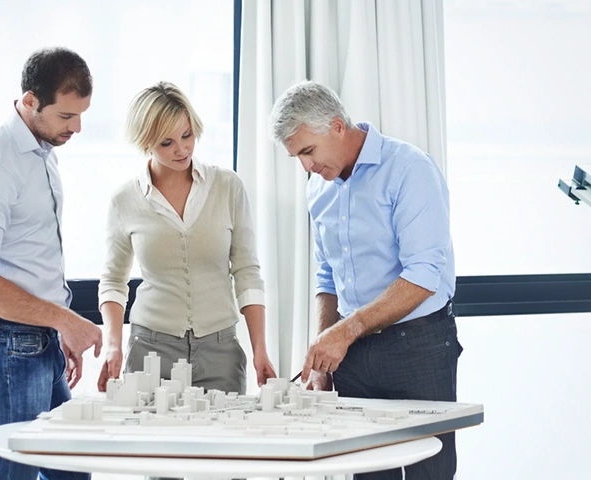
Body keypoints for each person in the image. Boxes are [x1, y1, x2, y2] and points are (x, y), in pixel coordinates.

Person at [272, 81, 460, 480]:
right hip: (353, 354)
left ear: (338, 126)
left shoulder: (410, 170)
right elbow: (327, 275)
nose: (305, 166)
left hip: (419, 347)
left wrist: (345, 331)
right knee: (367, 472)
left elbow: (423, 274)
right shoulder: (318, 189)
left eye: (308, 151)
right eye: (297, 156)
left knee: (431, 473)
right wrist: (324, 357)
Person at [0, 46, 100, 480]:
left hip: (37, 341)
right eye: (66, 116)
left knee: (72, 472)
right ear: (31, 100)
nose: (76, 128)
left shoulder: (41, 150)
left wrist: (58, 328)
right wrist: (65, 320)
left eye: (81, 115)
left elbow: (31, 258)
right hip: (6, 345)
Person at [97, 82, 277, 397]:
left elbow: (247, 271)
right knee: (149, 431)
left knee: (224, 430)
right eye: (166, 142)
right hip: (150, 350)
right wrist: (113, 345)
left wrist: (259, 348)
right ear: (145, 141)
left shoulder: (227, 186)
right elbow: (113, 281)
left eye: (187, 135)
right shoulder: (124, 200)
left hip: (220, 351)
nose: (181, 150)